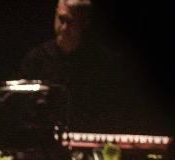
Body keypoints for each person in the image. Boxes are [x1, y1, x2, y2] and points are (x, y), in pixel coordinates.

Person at [18, 0, 127, 132]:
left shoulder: (103, 62)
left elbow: (112, 112)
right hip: (44, 140)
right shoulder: (36, 59)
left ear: (85, 23)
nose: (63, 28)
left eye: (70, 22)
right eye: (61, 19)